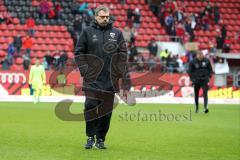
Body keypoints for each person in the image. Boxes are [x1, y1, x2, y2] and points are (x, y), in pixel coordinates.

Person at [75, 5, 129, 149]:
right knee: (90, 107)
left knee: (106, 112)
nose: (105, 19)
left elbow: (123, 55)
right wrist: (85, 71)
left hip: (110, 80)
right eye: (102, 17)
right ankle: (90, 137)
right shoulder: (87, 32)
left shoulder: (117, 33)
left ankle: (100, 139)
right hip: (91, 80)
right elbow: (79, 52)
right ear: (96, 17)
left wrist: (119, 73)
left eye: (107, 17)